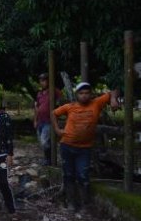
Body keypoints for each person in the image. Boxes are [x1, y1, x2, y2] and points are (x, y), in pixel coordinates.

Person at [52, 82, 119, 211]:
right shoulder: (70, 107)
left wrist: (113, 99)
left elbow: (115, 90)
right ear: (77, 95)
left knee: (83, 174)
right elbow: (53, 113)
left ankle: (84, 204)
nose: (84, 96)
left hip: (84, 148)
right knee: (68, 174)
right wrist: (57, 130)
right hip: (67, 146)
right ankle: (71, 202)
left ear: (91, 94)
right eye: (81, 93)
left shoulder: (97, 103)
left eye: (87, 93)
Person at [35, 73, 62, 165]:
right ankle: (48, 158)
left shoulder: (54, 91)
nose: (42, 83)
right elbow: (37, 107)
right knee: (43, 142)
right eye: (41, 81)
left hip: (49, 120)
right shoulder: (39, 94)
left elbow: (60, 102)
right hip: (40, 121)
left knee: (44, 141)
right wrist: (35, 120)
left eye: (44, 80)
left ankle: (49, 159)